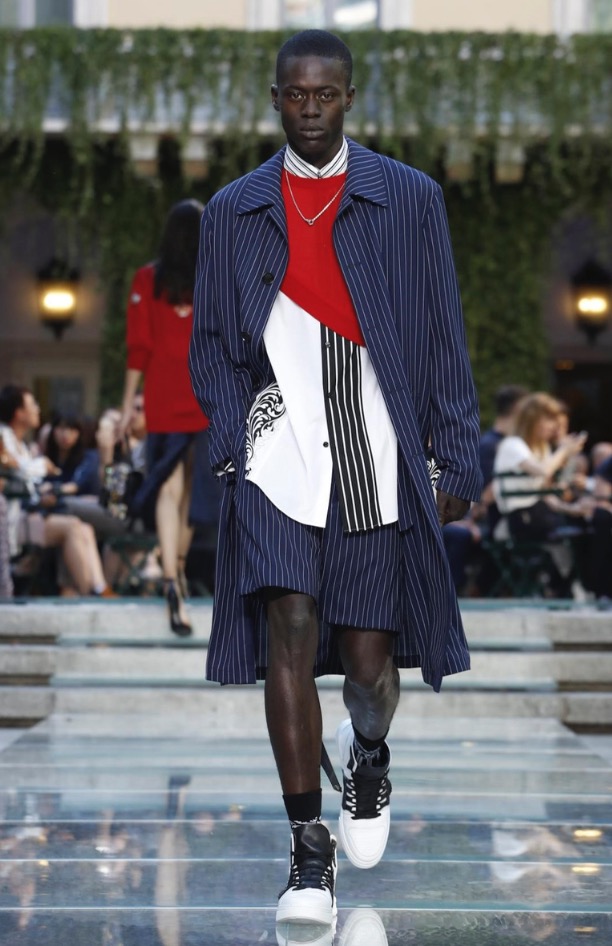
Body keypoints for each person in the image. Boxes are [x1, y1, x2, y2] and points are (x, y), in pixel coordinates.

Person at [189, 30, 482, 927]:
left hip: (376, 445)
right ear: (275, 97)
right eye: (296, 94)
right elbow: (212, 343)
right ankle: (307, 853)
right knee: (288, 627)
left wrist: (456, 446)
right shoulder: (235, 209)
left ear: (349, 98)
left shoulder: (408, 197)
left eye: (326, 94)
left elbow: (440, 327)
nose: (310, 108)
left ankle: (371, 754)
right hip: (279, 450)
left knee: (366, 661)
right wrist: (236, 440)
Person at [118, 200, 220, 635]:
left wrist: (128, 404)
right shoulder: (214, 277)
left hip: (161, 391)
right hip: (204, 389)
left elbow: (138, 346)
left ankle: (171, 578)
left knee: (168, 486)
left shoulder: (147, 279)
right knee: (193, 493)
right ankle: (175, 567)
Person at [0, 385, 113, 597]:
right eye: (32, 404)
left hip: (28, 516)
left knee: (82, 528)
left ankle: (97, 589)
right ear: (19, 413)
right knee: (73, 527)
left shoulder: (22, 444)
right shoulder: (3, 438)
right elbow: (13, 476)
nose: (38, 409)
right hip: (14, 520)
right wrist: (41, 467)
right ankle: (91, 595)